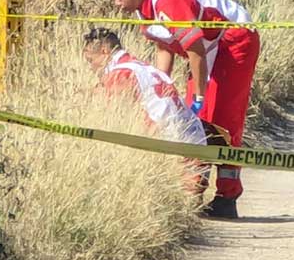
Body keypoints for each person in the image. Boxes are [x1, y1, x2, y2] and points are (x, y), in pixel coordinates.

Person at [110, 0, 261, 219]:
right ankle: (194, 189)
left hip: (234, 41)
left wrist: (199, 96)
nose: (115, 3)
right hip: (209, 46)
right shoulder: (144, 8)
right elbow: (164, 47)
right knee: (193, 122)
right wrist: (162, 88)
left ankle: (227, 195)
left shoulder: (169, 1)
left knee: (223, 117)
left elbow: (196, 50)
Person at [82, 28, 214, 194]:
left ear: (104, 52)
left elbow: (110, 118)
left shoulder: (121, 74)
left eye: (90, 60)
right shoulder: (140, 67)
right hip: (197, 149)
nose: (90, 67)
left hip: (175, 156)